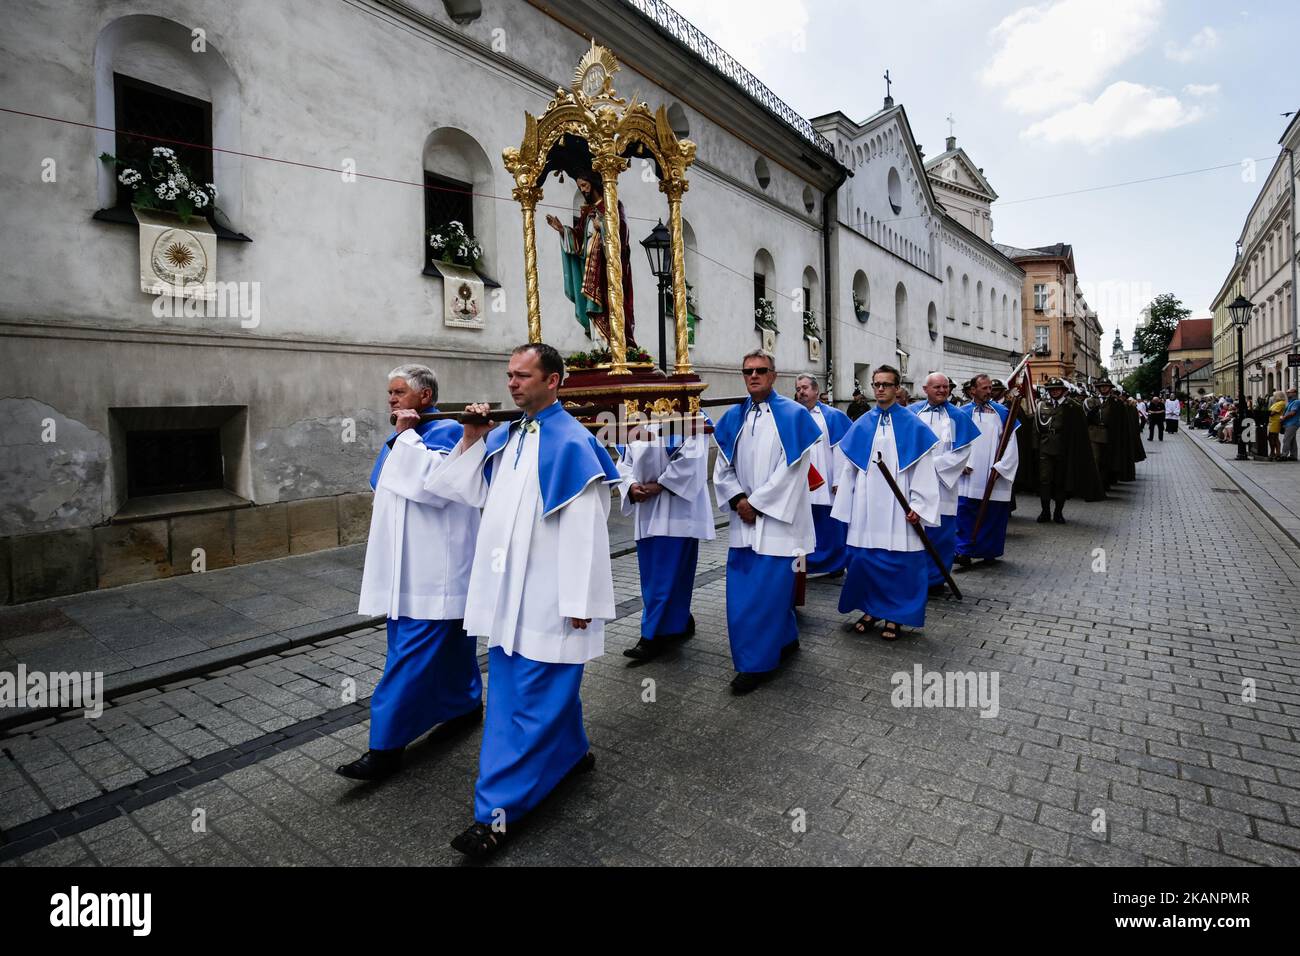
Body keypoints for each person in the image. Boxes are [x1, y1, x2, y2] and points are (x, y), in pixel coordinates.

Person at [430, 343, 619, 859]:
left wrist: (580, 600)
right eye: (509, 374)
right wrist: (472, 438)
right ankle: (571, 752)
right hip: (506, 594)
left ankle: (496, 814)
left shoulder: (573, 444)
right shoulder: (507, 435)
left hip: (548, 597)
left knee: (525, 703)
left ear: (553, 381)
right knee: (531, 690)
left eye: (522, 375)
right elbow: (459, 490)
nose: (511, 383)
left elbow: (587, 531)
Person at [342, 365, 483, 782]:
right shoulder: (410, 434)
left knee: (409, 656)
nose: (391, 399)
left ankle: (384, 748)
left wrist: (404, 436)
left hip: (435, 569)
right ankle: (465, 705)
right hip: (409, 568)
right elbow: (383, 485)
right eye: (389, 392)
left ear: (425, 397)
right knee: (451, 646)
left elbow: (433, 488)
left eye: (399, 391)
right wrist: (403, 437)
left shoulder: (448, 431)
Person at [712, 349, 820, 694]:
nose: (754, 376)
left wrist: (757, 504)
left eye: (761, 370)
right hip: (744, 521)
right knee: (745, 595)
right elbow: (722, 467)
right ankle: (784, 640)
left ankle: (755, 664)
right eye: (748, 371)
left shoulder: (794, 415)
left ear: (774, 375)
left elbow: (793, 471)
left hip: (778, 523)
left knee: (767, 595)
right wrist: (738, 500)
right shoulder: (734, 417)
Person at [833, 364, 940, 642]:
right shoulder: (862, 423)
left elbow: (924, 470)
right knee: (865, 560)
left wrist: (920, 506)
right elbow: (850, 469)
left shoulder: (913, 425)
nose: (880, 389)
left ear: (897, 388)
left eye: (886, 384)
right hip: (867, 506)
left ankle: (894, 615)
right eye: (877, 384)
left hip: (899, 505)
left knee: (899, 563)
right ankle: (871, 610)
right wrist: (845, 505)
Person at [616, 415, 715, 661]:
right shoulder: (634, 417)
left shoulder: (691, 415)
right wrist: (630, 485)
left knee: (665, 575)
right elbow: (624, 462)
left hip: (676, 509)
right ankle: (678, 622)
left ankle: (651, 636)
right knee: (654, 574)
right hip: (646, 508)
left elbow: (693, 460)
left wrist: (660, 485)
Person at [546, 170, 636, 347]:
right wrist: (563, 231)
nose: (582, 190)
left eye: (584, 185)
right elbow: (579, 240)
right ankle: (598, 351)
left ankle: (613, 349)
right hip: (590, 273)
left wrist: (602, 226)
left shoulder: (613, 206)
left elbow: (621, 236)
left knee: (608, 307)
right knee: (592, 310)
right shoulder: (587, 213)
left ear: (593, 184)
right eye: (580, 187)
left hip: (606, 271)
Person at [910, 372, 979, 593]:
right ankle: (913, 577)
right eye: (937, 387)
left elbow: (961, 453)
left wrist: (930, 466)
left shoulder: (957, 416)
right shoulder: (911, 413)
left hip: (942, 484)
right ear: (925, 389)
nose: (942, 390)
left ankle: (936, 578)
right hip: (912, 482)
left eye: (945, 387)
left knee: (941, 534)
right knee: (915, 531)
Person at [955, 374, 1019, 566]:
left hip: (993, 472)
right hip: (969, 472)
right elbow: (955, 441)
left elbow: (1011, 442)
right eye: (984, 388)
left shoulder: (1002, 413)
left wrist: (1002, 467)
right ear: (972, 390)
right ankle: (964, 551)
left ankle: (988, 551)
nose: (989, 392)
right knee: (966, 512)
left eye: (990, 388)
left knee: (992, 514)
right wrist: (960, 463)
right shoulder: (962, 413)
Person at [794, 373, 851, 576]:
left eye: (805, 388)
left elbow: (840, 450)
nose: (801, 392)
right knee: (803, 525)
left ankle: (835, 565)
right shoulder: (792, 415)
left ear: (816, 390)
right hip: (800, 482)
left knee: (830, 525)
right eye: (798, 389)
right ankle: (805, 565)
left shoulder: (833, 416)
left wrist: (838, 480)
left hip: (826, 480)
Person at [1036, 377, 1103, 523]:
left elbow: (1080, 431)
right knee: (1044, 479)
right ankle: (1045, 511)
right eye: (1051, 389)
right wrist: (1035, 447)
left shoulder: (1073, 406)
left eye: (1057, 389)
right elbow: (1036, 429)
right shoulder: (1042, 405)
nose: (1054, 391)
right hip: (1045, 447)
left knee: (1060, 480)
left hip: (1064, 448)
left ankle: (1058, 512)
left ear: (1064, 390)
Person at [1281, 387, 1300, 461]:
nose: (1287, 394)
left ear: (1294, 393)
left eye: (1289, 392)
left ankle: (1284, 455)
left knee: (1286, 439)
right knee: (1292, 440)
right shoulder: (1290, 402)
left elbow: (1293, 412)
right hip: (1289, 423)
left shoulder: (1296, 402)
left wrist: (1284, 417)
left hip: (1292, 423)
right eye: (1287, 392)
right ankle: (1293, 456)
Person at [1268, 389, 1286, 460]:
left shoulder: (1281, 403)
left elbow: (1272, 413)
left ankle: (1275, 453)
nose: (1274, 397)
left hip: (1275, 422)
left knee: (1273, 437)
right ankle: (1275, 452)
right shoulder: (1277, 403)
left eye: (1274, 396)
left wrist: (1268, 412)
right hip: (1272, 422)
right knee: (1273, 438)